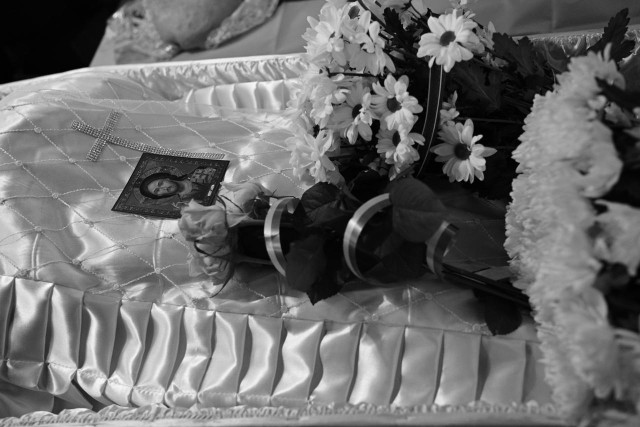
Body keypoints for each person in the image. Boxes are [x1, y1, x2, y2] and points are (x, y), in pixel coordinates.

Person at [138, 167, 217, 202]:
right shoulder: (187, 202)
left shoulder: (197, 171)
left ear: (166, 178)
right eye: (157, 190)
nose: (163, 188)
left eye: (161, 183)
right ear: (160, 195)